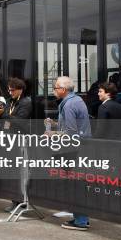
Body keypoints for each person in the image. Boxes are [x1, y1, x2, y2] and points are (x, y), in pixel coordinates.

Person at [45, 76, 92, 231]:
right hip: (81, 148)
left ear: (63, 90)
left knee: (74, 185)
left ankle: (80, 221)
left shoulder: (69, 105)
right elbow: (71, 127)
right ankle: (82, 218)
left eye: (56, 88)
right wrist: (55, 124)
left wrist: (52, 134)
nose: (54, 91)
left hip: (73, 150)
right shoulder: (76, 101)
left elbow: (71, 133)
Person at [1, 77, 32, 213]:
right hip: (10, 138)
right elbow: (8, 119)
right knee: (11, 172)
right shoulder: (9, 102)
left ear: (20, 90)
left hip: (21, 140)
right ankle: (15, 200)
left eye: (12, 90)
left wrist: (4, 115)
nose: (10, 92)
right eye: (8, 90)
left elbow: (21, 121)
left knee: (20, 172)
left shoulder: (26, 102)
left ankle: (22, 201)